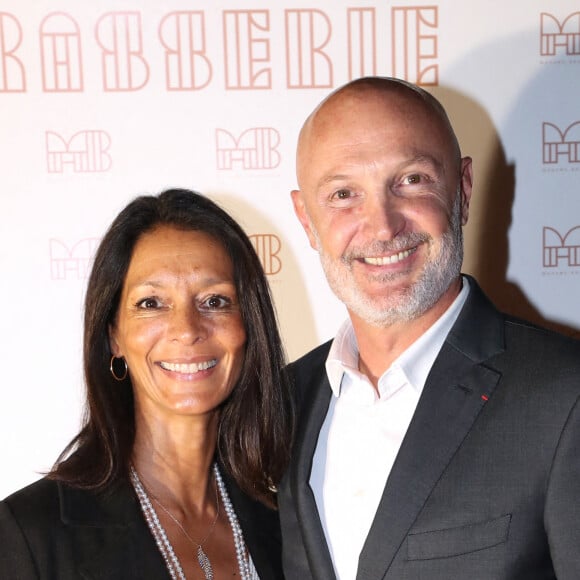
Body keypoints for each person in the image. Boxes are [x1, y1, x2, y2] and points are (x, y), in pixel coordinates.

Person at [278, 76, 580, 580]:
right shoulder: (283, 404)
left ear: (462, 188)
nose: (382, 226)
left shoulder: (564, 396)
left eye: (411, 180)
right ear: (306, 219)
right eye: (343, 193)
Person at [0, 188, 292, 579]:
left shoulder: (285, 523)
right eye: (151, 303)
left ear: (249, 327)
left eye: (215, 301)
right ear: (114, 337)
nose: (187, 330)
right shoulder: (31, 533)